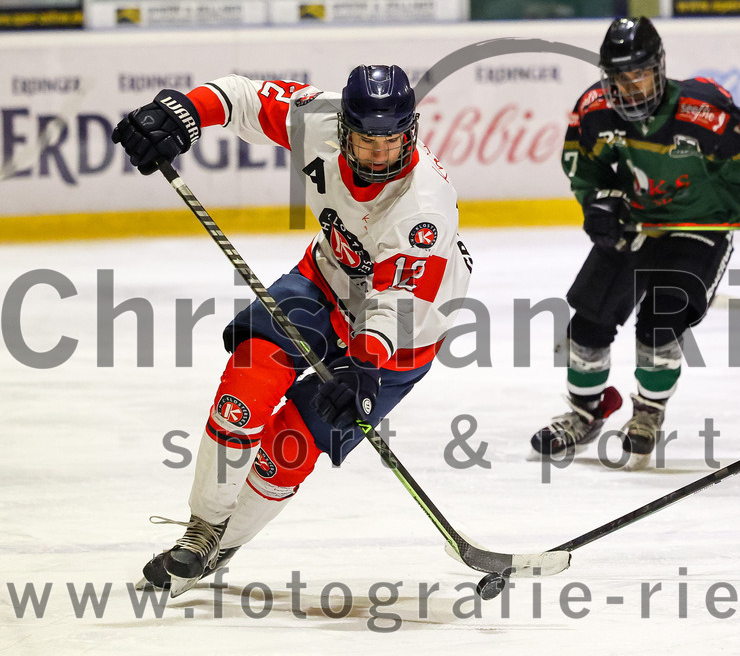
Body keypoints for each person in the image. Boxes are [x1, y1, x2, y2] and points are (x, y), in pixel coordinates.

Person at [112, 65, 472, 594]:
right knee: (250, 378)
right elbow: (240, 96)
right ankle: (202, 527)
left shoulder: (424, 208)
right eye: (367, 142)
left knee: (296, 439)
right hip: (323, 281)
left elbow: (394, 305)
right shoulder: (318, 119)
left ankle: (227, 540)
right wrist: (181, 113)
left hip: (407, 329)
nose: (379, 156)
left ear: (411, 133)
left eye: (392, 143)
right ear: (344, 128)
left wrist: (363, 367)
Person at [529, 16, 740, 471]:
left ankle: (648, 412)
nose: (630, 86)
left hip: (700, 227)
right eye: (620, 76)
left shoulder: (705, 109)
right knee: (589, 320)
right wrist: (599, 204)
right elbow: (584, 169)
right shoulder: (595, 111)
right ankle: (585, 412)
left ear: (659, 69)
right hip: (636, 223)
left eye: (638, 74)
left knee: (660, 320)